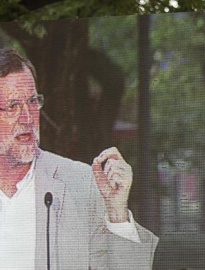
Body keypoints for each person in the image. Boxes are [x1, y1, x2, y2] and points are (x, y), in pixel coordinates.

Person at [0, 49, 158, 269]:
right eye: (13, 106)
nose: (27, 117)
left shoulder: (81, 184)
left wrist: (117, 214)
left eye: (33, 102)